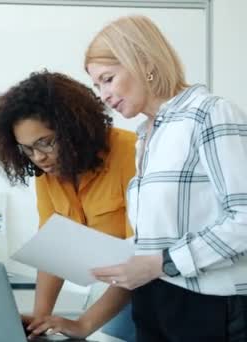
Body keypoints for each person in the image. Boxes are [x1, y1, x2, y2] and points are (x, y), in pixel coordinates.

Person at [85, 15, 247, 341]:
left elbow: (244, 219)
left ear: (143, 62)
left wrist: (162, 263)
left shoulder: (209, 112)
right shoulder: (147, 134)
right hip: (152, 299)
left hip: (207, 304)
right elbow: (166, 232)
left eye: (108, 79)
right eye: (96, 85)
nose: (103, 94)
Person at [0, 70, 137, 340]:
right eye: (27, 149)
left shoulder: (132, 153)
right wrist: (40, 321)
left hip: (147, 290)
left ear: (73, 128)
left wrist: (84, 324)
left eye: (45, 142)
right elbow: (53, 252)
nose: (39, 157)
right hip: (107, 291)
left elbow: (140, 260)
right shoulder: (48, 173)